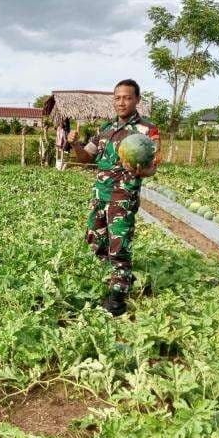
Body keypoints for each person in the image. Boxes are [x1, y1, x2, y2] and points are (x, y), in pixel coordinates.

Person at [68, 79, 160, 317]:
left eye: (127, 97)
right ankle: (104, 282)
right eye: (117, 98)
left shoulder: (146, 131)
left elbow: (153, 167)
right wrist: (75, 144)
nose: (122, 102)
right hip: (100, 195)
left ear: (137, 100)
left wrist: (143, 171)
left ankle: (118, 298)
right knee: (96, 242)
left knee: (119, 246)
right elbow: (85, 158)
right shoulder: (105, 129)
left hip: (122, 197)